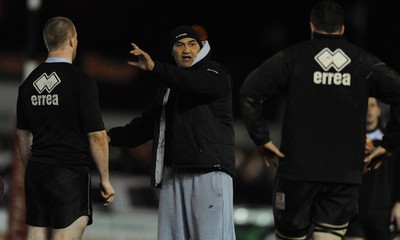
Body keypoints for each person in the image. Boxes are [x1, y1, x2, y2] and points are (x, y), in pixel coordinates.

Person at [239, 1, 400, 239]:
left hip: (298, 171)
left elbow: (249, 91)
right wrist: (388, 145)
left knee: (291, 235)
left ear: (311, 27)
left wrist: (261, 139)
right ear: (343, 28)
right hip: (343, 174)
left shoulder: (293, 56)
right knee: (329, 235)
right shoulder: (364, 62)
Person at [107, 25, 236, 240]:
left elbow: (192, 83)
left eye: (192, 44)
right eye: (179, 45)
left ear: (200, 48)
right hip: (174, 174)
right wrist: (107, 137)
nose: (186, 50)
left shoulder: (216, 73)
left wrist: (156, 67)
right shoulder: (168, 88)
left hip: (208, 173)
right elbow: (144, 127)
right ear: (172, 51)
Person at [16, 16, 115, 240]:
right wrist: (105, 179)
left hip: (36, 171)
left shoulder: (28, 83)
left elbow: (23, 137)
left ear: (47, 42)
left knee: (35, 235)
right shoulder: (81, 80)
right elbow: (97, 136)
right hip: (69, 174)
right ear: (72, 40)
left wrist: (31, 170)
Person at [345, 97, 400, 240]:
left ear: (379, 110)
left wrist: (398, 203)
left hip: (382, 210)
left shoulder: (390, 142)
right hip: (354, 210)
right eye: (366, 106)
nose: (369, 109)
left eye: (372, 105)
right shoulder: (349, 142)